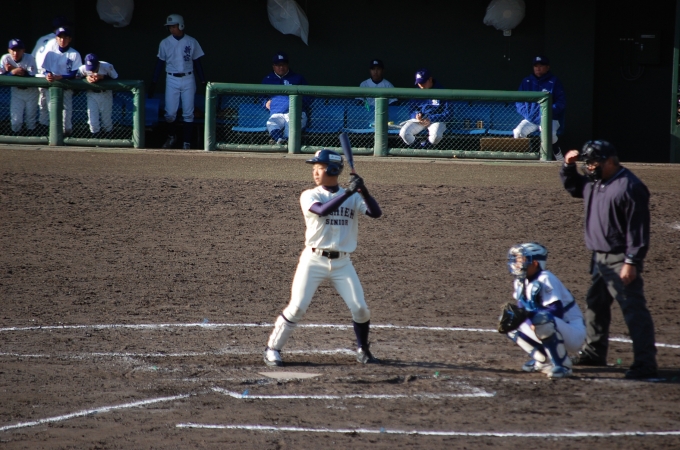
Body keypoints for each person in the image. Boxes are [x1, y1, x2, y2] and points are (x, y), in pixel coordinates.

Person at [263, 149, 382, 367]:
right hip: (313, 260)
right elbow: (322, 211)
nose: (315, 173)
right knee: (297, 307)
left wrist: (363, 190)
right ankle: (272, 349)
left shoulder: (353, 197)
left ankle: (363, 350)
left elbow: (376, 213)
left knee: (360, 308)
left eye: (320, 168)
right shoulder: (310, 195)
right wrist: (348, 193)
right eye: (315, 169)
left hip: (342, 263)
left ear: (333, 170)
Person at [560, 140, 657, 379]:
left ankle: (645, 363)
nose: (590, 167)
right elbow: (574, 188)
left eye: (594, 162)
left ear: (611, 161)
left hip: (620, 258)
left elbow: (638, 230)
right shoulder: (595, 183)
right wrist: (568, 166)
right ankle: (594, 352)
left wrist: (631, 262)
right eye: (588, 163)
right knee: (596, 305)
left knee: (633, 310)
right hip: (599, 257)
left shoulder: (629, 187)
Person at [504, 242, 586, 379]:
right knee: (509, 320)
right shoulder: (520, 282)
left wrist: (530, 316)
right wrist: (521, 316)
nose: (516, 264)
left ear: (535, 263)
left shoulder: (546, 278)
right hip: (550, 325)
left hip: (572, 330)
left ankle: (563, 365)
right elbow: (521, 310)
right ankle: (543, 360)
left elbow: (556, 311)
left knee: (542, 320)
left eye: (521, 259)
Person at [149, 14, 206, 149]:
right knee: (170, 113)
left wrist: (203, 80)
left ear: (181, 25)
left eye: (173, 26)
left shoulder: (191, 41)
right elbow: (159, 63)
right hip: (171, 78)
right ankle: (171, 136)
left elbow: (197, 62)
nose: (171, 29)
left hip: (188, 77)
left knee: (188, 113)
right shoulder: (165, 42)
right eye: (169, 27)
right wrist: (154, 82)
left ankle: (186, 143)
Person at [513, 55, 566, 160]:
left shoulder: (554, 81)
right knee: (517, 132)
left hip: (550, 119)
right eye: (536, 66)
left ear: (547, 67)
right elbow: (519, 101)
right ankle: (529, 156)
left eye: (541, 65)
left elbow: (561, 102)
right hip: (531, 119)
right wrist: (528, 114)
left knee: (549, 135)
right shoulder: (526, 81)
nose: (538, 68)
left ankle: (558, 156)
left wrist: (548, 112)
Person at [261, 52, 310, 146]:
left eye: (283, 64)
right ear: (273, 66)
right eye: (278, 65)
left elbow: (309, 96)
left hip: (295, 112)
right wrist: (265, 102)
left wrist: (297, 104)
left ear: (287, 65)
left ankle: (286, 142)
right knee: (271, 123)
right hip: (277, 112)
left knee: (291, 126)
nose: (281, 67)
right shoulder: (267, 79)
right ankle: (280, 140)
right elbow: (261, 96)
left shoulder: (298, 78)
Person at [41, 27, 82, 137]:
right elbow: (46, 70)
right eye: (60, 37)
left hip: (66, 88)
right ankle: (52, 136)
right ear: (56, 38)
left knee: (66, 115)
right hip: (52, 88)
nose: (62, 40)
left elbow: (73, 74)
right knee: (51, 112)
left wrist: (61, 77)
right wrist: (48, 75)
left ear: (70, 39)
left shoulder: (74, 54)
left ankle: (67, 136)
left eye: (65, 38)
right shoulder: (50, 53)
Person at [32, 16, 69, 132]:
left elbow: (32, 57)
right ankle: (58, 131)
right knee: (55, 106)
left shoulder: (42, 39)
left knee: (42, 105)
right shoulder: (57, 41)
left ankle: (43, 128)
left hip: (38, 75)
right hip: (50, 76)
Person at [399, 69, 450, 149]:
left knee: (435, 136)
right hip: (420, 121)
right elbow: (411, 110)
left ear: (430, 79)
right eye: (419, 83)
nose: (421, 85)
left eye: (423, 82)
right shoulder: (416, 92)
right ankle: (419, 148)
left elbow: (448, 114)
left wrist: (431, 119)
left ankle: (425, 147)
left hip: (435, 120)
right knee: (404, 133)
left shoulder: (442, 91)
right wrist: (417, 115)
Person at [0, 39, 38, 135]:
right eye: (13, 50)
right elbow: (1, 77)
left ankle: (31, 139)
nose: (15, 53)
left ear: (23, 50)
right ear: (9, 50)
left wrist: (13, 70)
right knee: (16, 120)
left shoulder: (29, 58)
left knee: (30, 119)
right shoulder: (6, 58)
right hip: (16, 91)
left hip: (31, 91)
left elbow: (31, 77)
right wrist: (13, 72)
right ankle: (17, 138)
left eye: (18, 50)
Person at [76, 54, 119, 138]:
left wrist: (103, 77)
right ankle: (95, 141)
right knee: (93, 121)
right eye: (90, 68)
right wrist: (86, 79)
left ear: (98, 63)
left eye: (94, 68)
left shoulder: (107, 66)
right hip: (91, 94)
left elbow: (116, 78)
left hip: (105, 93)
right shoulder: (83, 68)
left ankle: (108, 140)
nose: (92, 70)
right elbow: (75, 78)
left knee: (106, 120)